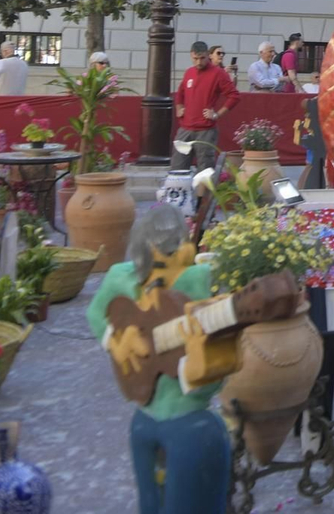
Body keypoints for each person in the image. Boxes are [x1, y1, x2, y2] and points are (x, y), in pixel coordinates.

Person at [87, 206, 232, 514]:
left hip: (188, 417)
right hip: (145, 413)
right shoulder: (121, 277)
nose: (153, 287)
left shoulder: (201, 280)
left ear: (185, 252)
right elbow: (96, 312)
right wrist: (116, 339)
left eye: (163, 269)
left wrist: (199, 355)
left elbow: (216, 363)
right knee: (150, 501)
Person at [172, 41, 238, 169]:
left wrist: (217, 114)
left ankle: (203, 190)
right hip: (185, 128)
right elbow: (180, 92)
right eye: (195, 58)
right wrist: (179, 107)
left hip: (205, 130)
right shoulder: (189, 72)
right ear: (191, 55)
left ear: (208, 56)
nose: (198, 62)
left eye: (202, 58)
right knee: (177, 167)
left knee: (205, 170)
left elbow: (234, 96)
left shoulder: (218, 73)